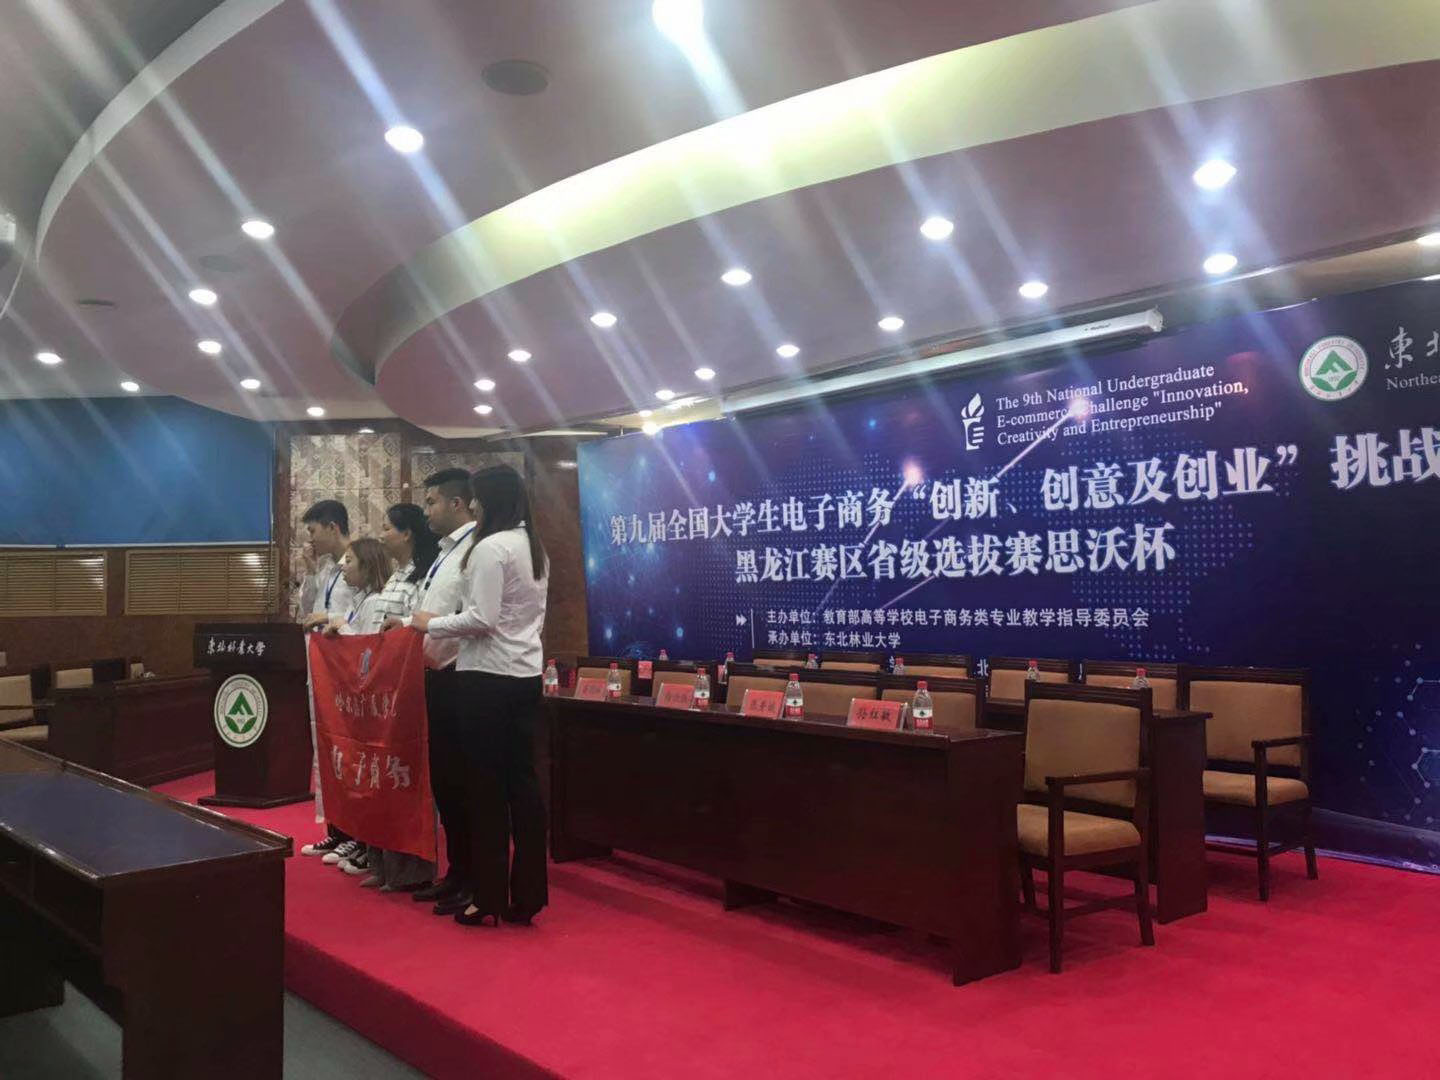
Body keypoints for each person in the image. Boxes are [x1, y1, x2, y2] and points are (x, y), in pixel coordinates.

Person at [412, 465, 549, 927]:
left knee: (485, 789)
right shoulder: (533, 545)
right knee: (523, 786)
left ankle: (487, 895)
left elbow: (481, 619)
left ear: (490, 500)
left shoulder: (491, 547)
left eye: (476, 499)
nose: (472, 506)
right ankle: (527, 894)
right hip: (524, 674)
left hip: (486, 679)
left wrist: (430, 624)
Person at [381, 469, 476, 916]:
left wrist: (425, 626)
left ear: (457, 504)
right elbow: (430, 612)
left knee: (462, 783)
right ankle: (456, 871)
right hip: (434, 675)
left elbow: (472, 617)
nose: (427, 511)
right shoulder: (444, 552)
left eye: (433, 501)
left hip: (461, 676)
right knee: (445, 783)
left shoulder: (475, 549)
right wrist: (404, 624)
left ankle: (472, 876)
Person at [356, 504, 441, 892]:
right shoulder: (395, 576)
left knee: (403, 778)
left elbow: (416, 630)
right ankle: (383, 864)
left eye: (388, 527)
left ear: (407, 533)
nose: (382, 533)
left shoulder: (424, 576)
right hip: (382, 685)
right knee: (380, 778)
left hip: (407, 686)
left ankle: (410, 870)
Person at [298, 499, 359, 861]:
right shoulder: (327, 569)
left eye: (313, 530)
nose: (310, 538)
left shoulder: (357, 561)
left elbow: (362, 611)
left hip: (344, 670)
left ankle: (355, 832)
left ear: (333, 527)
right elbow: (309, 610)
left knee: (348, 751)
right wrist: (309, 571)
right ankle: (335, 829)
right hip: (321, 667)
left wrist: (330, 619)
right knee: (326, 749)